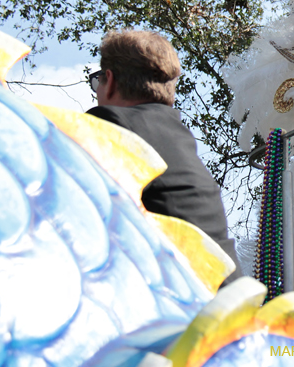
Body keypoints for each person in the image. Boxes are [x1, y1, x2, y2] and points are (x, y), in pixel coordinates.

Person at [87, 29, 242, 280]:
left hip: (186, 302)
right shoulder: (177, 134)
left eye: (97, 82)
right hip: (227, 293)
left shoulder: (109, 125)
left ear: (110, 80)